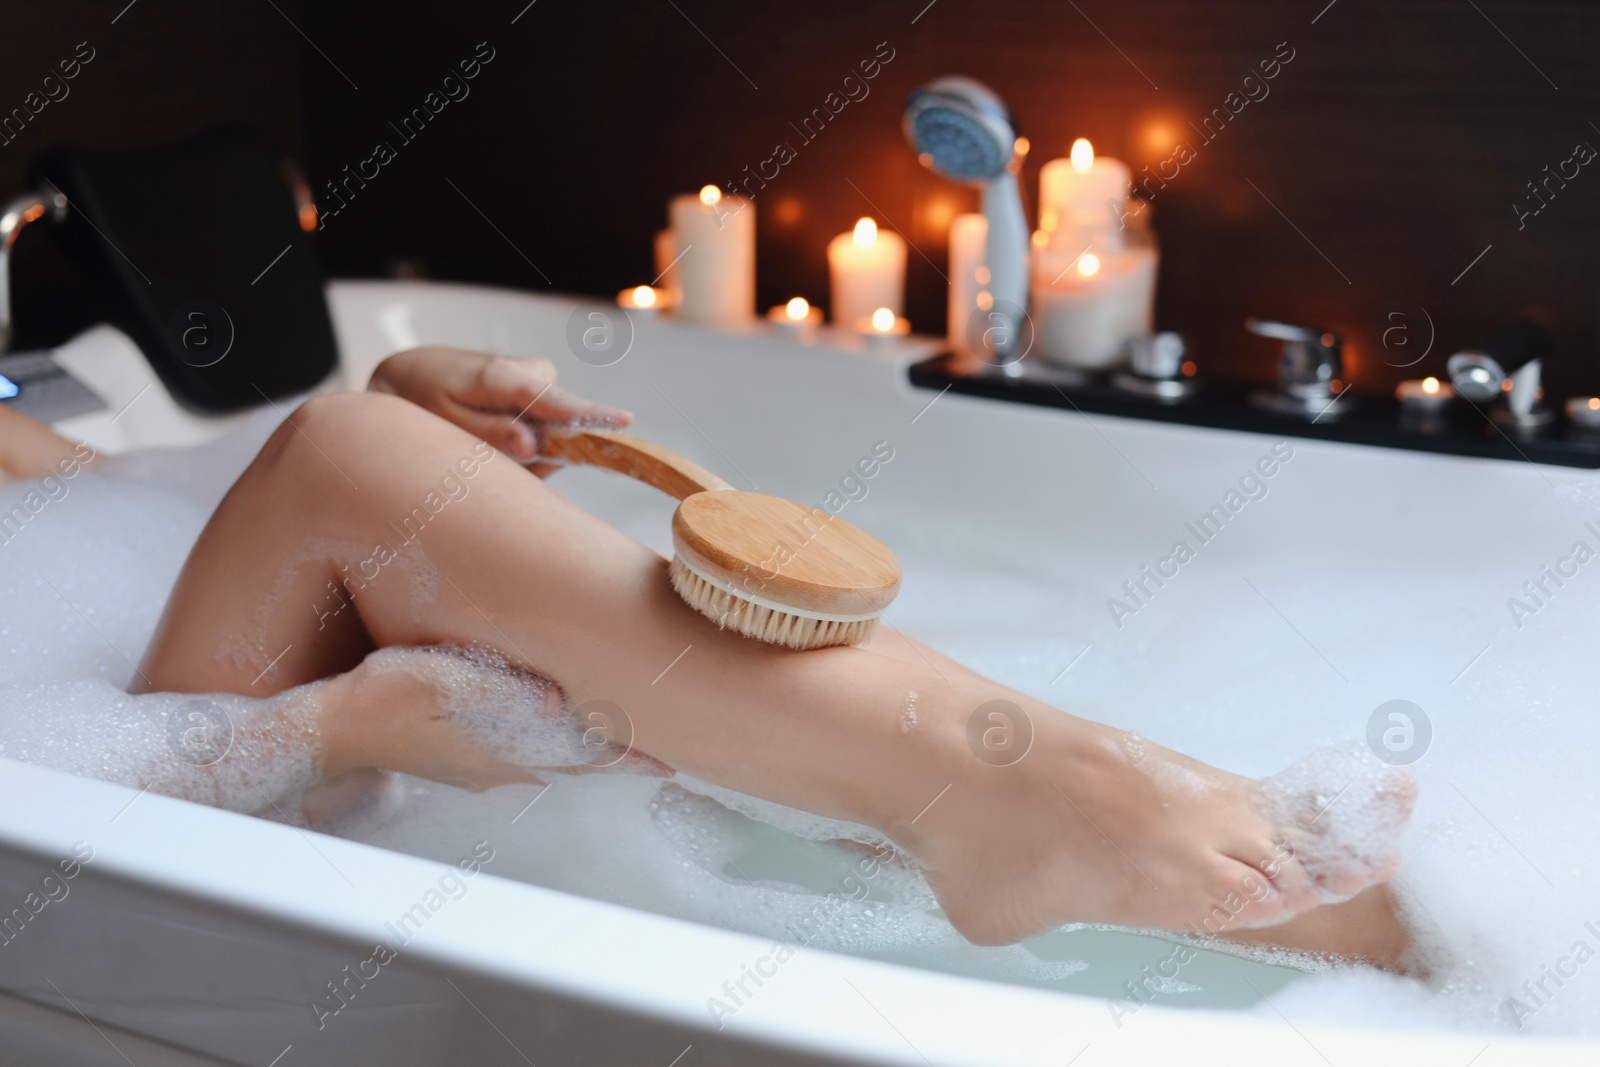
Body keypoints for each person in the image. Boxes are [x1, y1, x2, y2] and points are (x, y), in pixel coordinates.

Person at [0, 346, 1414, 965]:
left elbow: (102, 490)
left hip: (136, 649)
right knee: (346, 459)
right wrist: (335, 734)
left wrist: (401, 402)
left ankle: (1028, 819)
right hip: (118, 790)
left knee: (368, 451)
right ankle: (1015, 795)